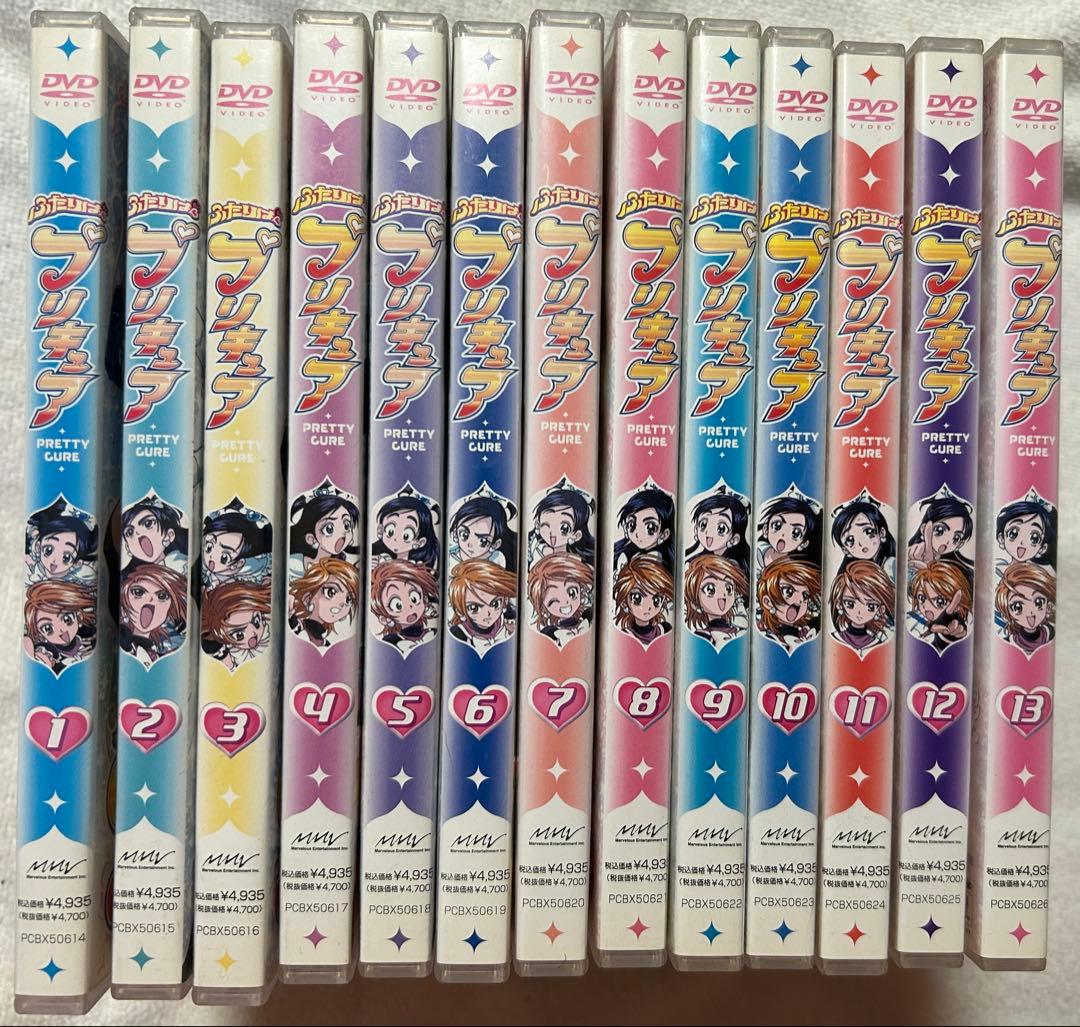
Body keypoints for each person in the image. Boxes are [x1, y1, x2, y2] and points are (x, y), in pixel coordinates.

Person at [119, 561, 187, 665]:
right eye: (138, 592)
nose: (150, 600)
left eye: (162, 596)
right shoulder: (121, 640)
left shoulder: (170, 647)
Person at [23, 579, 97, 673]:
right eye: (48, 628)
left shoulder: (90, 636)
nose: (61, 631)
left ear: (78, 616)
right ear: (41, 635)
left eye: (67, 619)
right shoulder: (48, 655)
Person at [369, 558, 439, 655]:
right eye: (397, 605)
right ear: (384, 619)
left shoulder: (432, 633)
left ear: (425, 598)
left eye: (414, 598)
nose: (410, 606)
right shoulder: (389, 642)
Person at [448, 558, 518, 655]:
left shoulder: (509, 623)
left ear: (505, 601)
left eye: (495, 604)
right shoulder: (459, 635)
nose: (488, 613)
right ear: (460, 611)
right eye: (474, 608)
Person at [288, 557, 360, 649]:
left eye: (348, 599)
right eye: (331, 592)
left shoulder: (325, 643)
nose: (342, 603)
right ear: (307, 599)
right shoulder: (296, 627)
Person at [201, 580, 272, 670]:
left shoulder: (269, 631)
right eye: (239, 635)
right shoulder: (227, 654)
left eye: (256, 622)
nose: (253, 633)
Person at [683, 552, 748, 650]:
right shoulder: (702, 635)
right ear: (695, 605)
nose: (723, 594)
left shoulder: (736, 630)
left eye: (728, 588)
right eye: (710, 589)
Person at [828, 559, 894, 654]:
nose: (859, 611)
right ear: (840, 604)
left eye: (870, 606)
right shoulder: (835, 639)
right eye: (850, 603)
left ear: (880, 610)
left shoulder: (878, 643)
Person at [25, 498, 98, 584]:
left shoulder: (80, 575)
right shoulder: (37, 569)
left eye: (66, 557)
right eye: (48, 550)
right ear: (38, 546)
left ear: (77, 563)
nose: (54, 561)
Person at [527, 553, 593, 646]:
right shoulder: (550, 634)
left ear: (581, 589)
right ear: (543, 606)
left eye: (572, 592)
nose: (565, 602)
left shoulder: (588, 617)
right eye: (553, 601)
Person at [906, 560, 972, 653]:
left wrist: (954, 633)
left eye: (940, 602)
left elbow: (958, 628)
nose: (927, 607)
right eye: (922, 598)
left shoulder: (953, 619)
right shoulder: (911, 618)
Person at [756, 557, 821, 650]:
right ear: (767, 602)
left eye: (805, 595)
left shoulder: (805, 633)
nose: (800, 600)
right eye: (788, 591)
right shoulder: (763, 633)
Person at [202, 505, 272, 588]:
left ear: (238, 564)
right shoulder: (202, 570)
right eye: (209, 548)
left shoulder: (240, 582)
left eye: (224, 557)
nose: (212, 556)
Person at [995, 561, 1056, 656]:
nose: (1031, 612)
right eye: (1018, 607)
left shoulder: (1050, 633)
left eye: (1038, 603)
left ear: (1047, 605)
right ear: (1006, 616)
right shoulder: (1009, 642)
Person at [685, 488, 752, 574]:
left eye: (721, 528)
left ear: (734, 539)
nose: (708, 532)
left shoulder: (735, 566)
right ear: (696, 529)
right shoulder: (694, 562)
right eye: (703, 524)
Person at [613, 553, 674, 647]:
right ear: (624, 603)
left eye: (656, 600)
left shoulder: (664, 629)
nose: (648, 607)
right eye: (637, 598)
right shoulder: (625, 635)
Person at [371, 491, 440, 570]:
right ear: (380, 529)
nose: (396, 538)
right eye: (390, 531)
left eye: (406, 536)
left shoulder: (415, 567)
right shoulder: (382, 559)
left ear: (420, 542)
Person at [448, 494, 518, 572]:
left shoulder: (496, 559)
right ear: (455, 532)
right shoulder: (450, 560)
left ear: (495, 544)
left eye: (483, 541)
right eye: (464, 535)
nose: (470, 544)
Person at [613, 486, 676, 572]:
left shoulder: (658, 559)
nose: (638, 533)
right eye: (631, 524)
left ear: (664, 534)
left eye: (650, 527)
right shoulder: (625, 552)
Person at [528, 486, 596, 565]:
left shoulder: (574, 560)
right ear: (538, 524)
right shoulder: (538, 549)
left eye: (564, 528)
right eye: (546, 525)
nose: (552, 533)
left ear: (576, 535)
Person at [906, 494, 973, 572]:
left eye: (956, 538)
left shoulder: (957, 570)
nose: (946, 542)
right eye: (939, 531)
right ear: (924, 529)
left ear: (959, 545)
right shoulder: (911, 553)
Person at [831, 496, 896, 572]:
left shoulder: (890, 565)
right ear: (845, 550)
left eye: (868, 531)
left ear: (882, 533)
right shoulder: (851, 572)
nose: (861, 543)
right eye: (850, 539)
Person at [757, 494, 820, 568]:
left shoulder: (792, 569)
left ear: (803, 544)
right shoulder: (758, 549)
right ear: (765, 529)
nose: (783, 534)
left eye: (795, 533)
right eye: (777, 525)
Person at [995, 498, 1056, 569]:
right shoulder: (998, 568)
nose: (1022, 542)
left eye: (1034, 538)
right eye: (1013, 534)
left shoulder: (1037, 573)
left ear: (1042, 548)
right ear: (1001, 538)